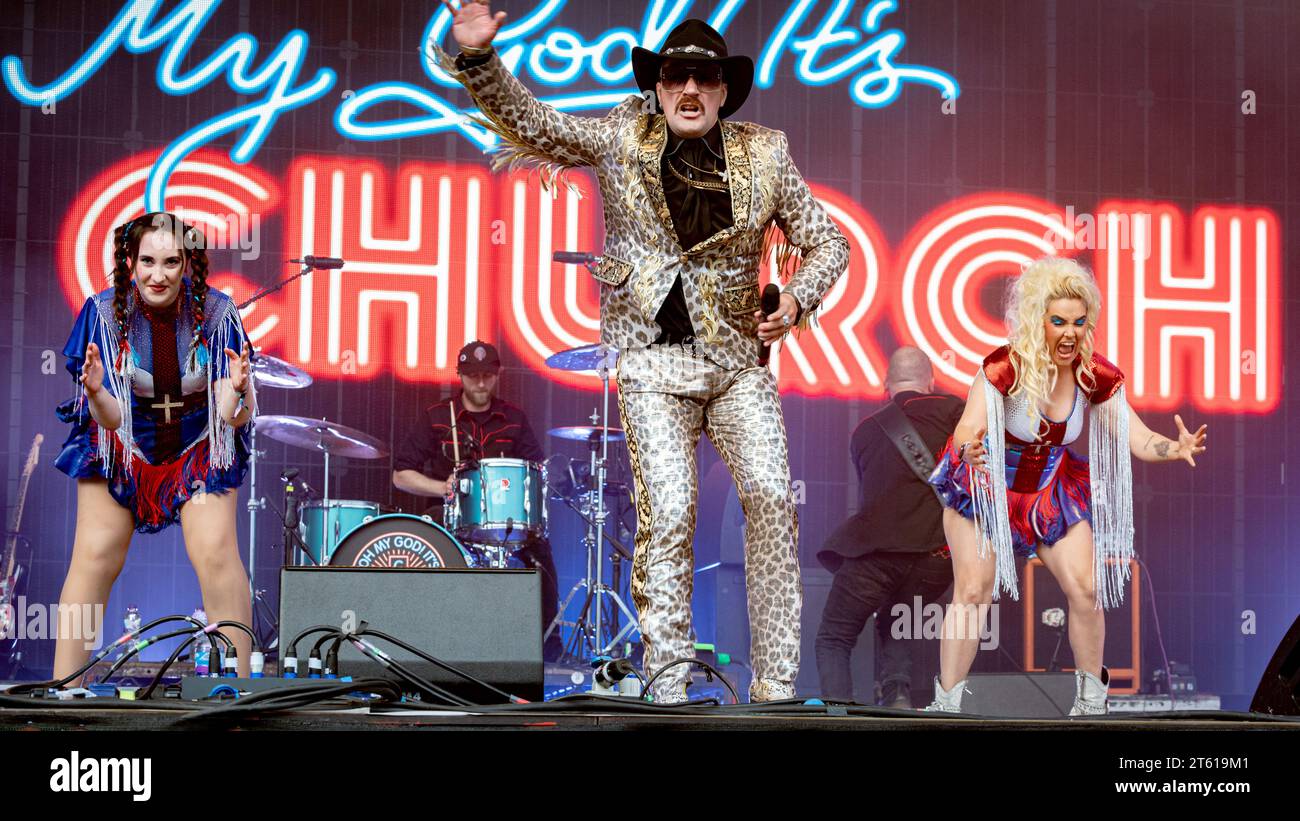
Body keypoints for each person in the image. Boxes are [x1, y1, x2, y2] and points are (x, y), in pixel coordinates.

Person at [435, 4, 849, 702]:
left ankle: (775, 687)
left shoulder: (766, 153)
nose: (689, 89)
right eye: (675, 75)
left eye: (704, 78)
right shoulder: (622, 135)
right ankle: (668, 678)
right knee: (673, 507)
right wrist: (479, 59)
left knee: (774, 499)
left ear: (724, 90)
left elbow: (829, 242)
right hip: (653, 362)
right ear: (657, 86)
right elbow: (539, 125)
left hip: (737, 364)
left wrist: (796, 298)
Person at [926, 256, 1208, 714]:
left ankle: (1092, 702)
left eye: (1079, 322)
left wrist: (1172, 449)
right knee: (973, 592)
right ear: (1039, 320)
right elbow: (967, 429)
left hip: (1048, 494)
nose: (1070, 333)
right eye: (1058, 321)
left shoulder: (1092, 374)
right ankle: (945, 705)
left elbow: (1137, 437)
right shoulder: (1004, 368)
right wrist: (970, 449)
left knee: (1085, 588)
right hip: (987, 488)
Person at [52, 212, 256, 682]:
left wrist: (239, 388)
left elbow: (233, 415)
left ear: (188, 264)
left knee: (215, 550)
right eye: (147, 261)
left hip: (198, 446)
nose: (157, 275)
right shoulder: (101, 314)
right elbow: (112, 417)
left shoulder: (220, 314)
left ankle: (240, 688)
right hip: (123, 444)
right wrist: (98, 391)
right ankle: (64, 690)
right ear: (130, 261)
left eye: (170, 262)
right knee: (96, 553)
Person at [392, 340, 562, 662]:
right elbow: (401, 475)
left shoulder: (514, 418)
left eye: (487, 375)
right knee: (425, 535)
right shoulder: (437, 416)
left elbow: (538, 470)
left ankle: (547, 653)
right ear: (460, 376)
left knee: (542, 553)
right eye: (473, 376)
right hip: (452, 516)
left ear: (498, 375)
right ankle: (429, 643)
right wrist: (443, 488)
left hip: (506, 520)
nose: (480, 383)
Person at [814, 347, 960, 706]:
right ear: (931, 381)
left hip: (876, 555)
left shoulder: (863, 432)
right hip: (935, 558)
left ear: (885, 385)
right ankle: (897, 692)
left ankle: (838, 714)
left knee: (834, 638)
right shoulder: (954, 411)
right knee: (898, 615)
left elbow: (871, 494)